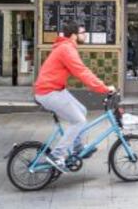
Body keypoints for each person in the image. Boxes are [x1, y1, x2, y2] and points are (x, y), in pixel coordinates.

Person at [34, 21, 115, 172]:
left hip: (56, 89)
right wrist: (104, 88)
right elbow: (82, 72)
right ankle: (56, 155)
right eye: (83, 32)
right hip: (48, 92)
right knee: (78, 121)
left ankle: (77, 147)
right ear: (73, 35)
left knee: (82, 111)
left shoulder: (67, 47)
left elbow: (80, 71)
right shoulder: (66, 49)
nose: (85, 35)